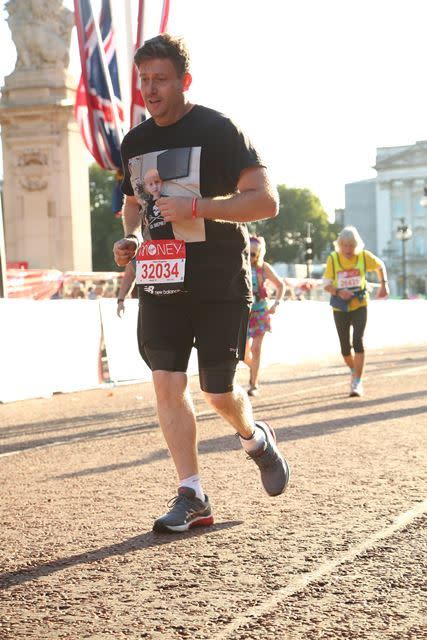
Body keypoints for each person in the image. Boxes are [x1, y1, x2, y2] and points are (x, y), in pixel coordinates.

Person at [113, 34, 290, 534]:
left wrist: (199, 208)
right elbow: (131, 202)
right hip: (162, 279)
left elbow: (265, 202)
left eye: (160, 79)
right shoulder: (135, 142)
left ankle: (254, 437)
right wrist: (128, 239)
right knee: (166, 384)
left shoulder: (219, 130)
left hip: (218, 281)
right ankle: (192, 493)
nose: (149, 89)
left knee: (218, 392)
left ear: (184, 81)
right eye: (143, 80)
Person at [323, 226, 389, 397]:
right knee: (345, 348)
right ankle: (353, 369)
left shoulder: (364, 257)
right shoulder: (333, 258)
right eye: (344, 245)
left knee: (358, 340)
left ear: (356, 245)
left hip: (359, 304)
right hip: (340, 306)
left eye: (351, 245)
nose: (348, 250)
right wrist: (339, 292)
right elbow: (326, 284)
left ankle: (357, 382)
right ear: (339, 245)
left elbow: (380, 265)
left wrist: (384, 284)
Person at [244, 235, 284, 397]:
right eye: (248, 253)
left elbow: (281, 285)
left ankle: (253, 384)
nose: (250, 257)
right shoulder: (240, 265)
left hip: (260, 311)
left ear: (259, 254)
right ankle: (255, 369)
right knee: (244, 353)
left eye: (254, 254)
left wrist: (276, 303)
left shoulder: (263, 268)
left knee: (256, 349)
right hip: (243, 313)